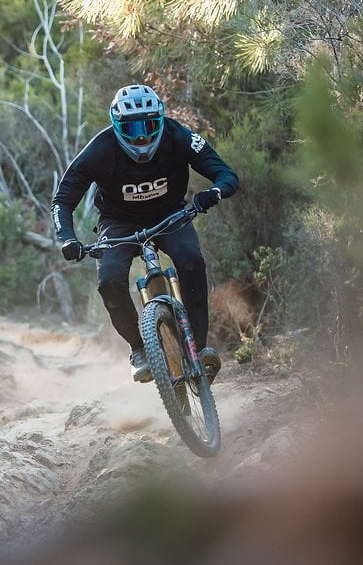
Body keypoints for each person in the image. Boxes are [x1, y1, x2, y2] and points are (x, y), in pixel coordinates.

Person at [51, 83, 239, 383]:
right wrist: (67, 238)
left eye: (149, 125)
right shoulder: (100, 148)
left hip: (171, 215)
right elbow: (63, 199)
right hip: (118, 223)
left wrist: (213, 192)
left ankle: (199, 349)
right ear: (116, 125)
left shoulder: (178, 136)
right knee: (109, 282)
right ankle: (139, 349)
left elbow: (226, 173)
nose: (141, 136)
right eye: (131, 127)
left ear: (160, 120)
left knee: (191, 261)